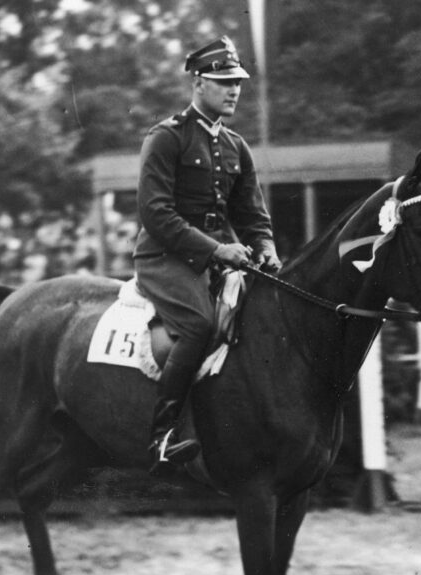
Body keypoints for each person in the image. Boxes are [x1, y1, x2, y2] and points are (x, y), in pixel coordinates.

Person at [131, 35, 281, 476]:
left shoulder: (237, 147)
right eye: (223, 81)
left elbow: (253, 215)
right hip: (164, 258)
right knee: (198, 324)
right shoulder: (166, 138)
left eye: (237, 81)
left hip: (222, 260)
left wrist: (267, 249)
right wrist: (218, 249)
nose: (234, 89)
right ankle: (161, 438)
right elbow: (156, 214)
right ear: (198, 83)